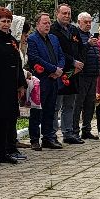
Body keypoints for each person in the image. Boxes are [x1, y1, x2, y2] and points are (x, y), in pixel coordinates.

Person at [0, 6, 26, 166]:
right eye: (3, 21)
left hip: (10, 87)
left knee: (7, 120)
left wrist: (21, 84)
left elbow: (17, 63)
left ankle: (3, 152)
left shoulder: (12, 41)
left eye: (9, 21)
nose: (6, 24)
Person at [26, 12, 65, 150]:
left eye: (49, 22)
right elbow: (35, 58)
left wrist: (59, 69)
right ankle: (34, 139)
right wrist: (53, 69)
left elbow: (61, 55)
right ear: (37, 24)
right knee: (37, 111)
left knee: (50, 109)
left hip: (54, 80)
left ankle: (48, 137)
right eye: (44, 23)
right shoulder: (32, 39)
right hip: (40, 80)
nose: (48, 25)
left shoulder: (54, 38)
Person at [51, 3, 86, 143]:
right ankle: (52, 134)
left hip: (74, 73)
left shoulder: (74, 30)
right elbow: (58, 51)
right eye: (64, 13)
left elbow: (81, 49)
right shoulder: (53, 30)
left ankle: (68, 133)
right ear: (57, 14)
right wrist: (72, 62)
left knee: (69, 105)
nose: (66, 16)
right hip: (59, 72)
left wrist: (80, 65)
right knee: (56, 106)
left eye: (69, 13)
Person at [74, 12, 100, 139]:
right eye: (86, 22)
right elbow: (78, 53)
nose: (89, 24)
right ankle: (74, 130)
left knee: (90, 103)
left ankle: (87, 129)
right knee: (78, 104)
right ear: (79, 22)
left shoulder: (90, 36)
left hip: (93, 74)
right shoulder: (77, 36)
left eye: (90, 22)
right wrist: (88, 44)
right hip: (82, 75)